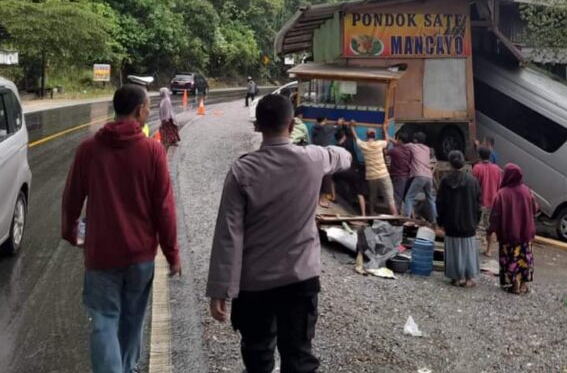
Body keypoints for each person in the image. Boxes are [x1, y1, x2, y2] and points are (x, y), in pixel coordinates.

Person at [206, 94, 351, 373]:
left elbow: (228, 235)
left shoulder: (242, 171)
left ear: (258, 126)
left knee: (258, 355)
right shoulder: (313, 158)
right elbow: (341, 157)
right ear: (292, 123)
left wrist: (220, 290)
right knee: (298, 356)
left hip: (254, 284)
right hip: (300, 280)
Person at [61, 84, 180, 373]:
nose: (149, 111)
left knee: (103, 319)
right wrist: (172, 253)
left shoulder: (89, 149)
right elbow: (163, 208)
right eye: (148, 107)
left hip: (101, 254)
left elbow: (72, 196)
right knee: (131, 320)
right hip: (140, 255)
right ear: (139, 110)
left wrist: (70, 231)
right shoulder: (152, 151)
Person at [489, 163, 538, 295]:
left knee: (510, 258)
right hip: (525, 233)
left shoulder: (501, 194)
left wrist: (491, 230)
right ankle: (523, 285)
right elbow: (535, 209)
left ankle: (514, 285)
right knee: (524, 258)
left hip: (508, 234)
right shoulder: (528, 191)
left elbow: (495, 215)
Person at [437, 151, 482, 287]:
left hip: (451, 222)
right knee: (468, 250)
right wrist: (476, 221)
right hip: (468, 222)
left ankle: (456, 277)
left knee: (453, 249)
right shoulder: (472, 181)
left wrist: (441, 221)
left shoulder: (445, 181)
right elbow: (477, 204)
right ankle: (468, 278)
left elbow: (440, 202)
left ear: (450, 163)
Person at [351, 121, 398, 216]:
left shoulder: (363, 145)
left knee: (373, 195)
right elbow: (387, 140)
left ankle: (372, 212)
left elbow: (355, 138)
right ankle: (395, 216)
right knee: (390, 198)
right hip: (383, 174)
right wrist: (384, 128)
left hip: (371, 176)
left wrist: (352, 127)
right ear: (375, 136)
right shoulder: (380, 144)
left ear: (366, 136)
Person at [472, 146, 503, 256]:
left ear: (479, 156)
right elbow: (500, 187)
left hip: (480, 202)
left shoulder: (477, 168)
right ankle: (489, 250)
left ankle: (472, 249)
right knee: (489, 227)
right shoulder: (497, 169)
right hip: (493, 202)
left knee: (475, 226)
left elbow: (473, 186)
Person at [402, 132, 438, 223]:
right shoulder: (427, 149)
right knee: (430, 198)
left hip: (419, 175)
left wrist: (389, 138)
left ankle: (406, 219)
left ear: (415, 140)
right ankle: (434, 220)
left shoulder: (413, 146)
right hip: (429, 176)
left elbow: (400, 145)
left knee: (409, 197)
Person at [310, 117, 338, 207]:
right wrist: (339, 123)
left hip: (314, 153)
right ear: (325, 120)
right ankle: (322, 199)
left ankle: (313, 198)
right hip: (325, 154)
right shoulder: (327, 128)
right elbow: (337, 128)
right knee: (326, 177)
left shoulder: (313, 127)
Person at [387, 132, 412, 212]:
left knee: (397, 197)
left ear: (400, 140)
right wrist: (390, 138)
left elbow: (386, 152)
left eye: (397, 139)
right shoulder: (409, 149)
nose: (396, 140)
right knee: (405, 197)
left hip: (398, 176)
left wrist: (387, 140)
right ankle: (409, 214)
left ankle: (395, 217)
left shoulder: (395, 151)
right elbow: (397, 144)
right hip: (407, 176)